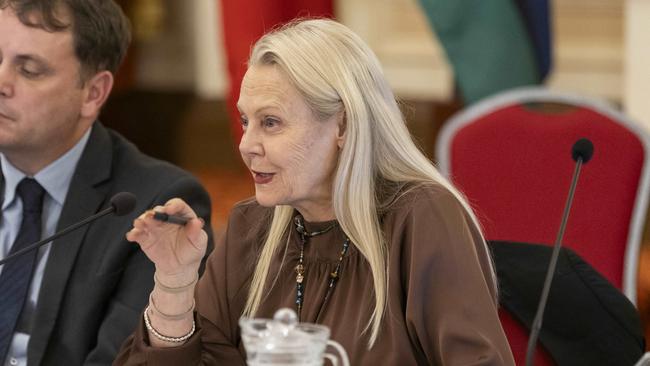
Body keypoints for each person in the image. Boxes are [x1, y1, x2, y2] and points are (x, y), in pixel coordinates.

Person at [115, 18, 514, 365]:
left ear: (342, 125)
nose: (245, 144)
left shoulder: (420, 217)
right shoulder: (251, 226)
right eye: (244, 121)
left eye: (270, 122)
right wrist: (176, 282)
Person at [0, 1, 214, 365]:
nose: (2, 82)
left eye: (30, 70)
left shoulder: (152, 204)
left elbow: (123, 361)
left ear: (93, 93)